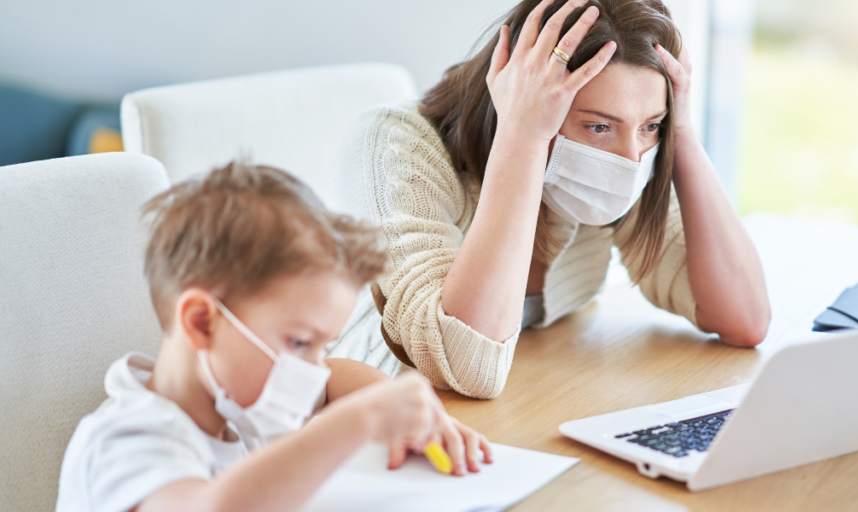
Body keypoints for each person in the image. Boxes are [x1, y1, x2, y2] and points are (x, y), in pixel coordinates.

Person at [334, 0, 771, 400]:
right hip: (377, 415)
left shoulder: (630, 160)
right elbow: (468, 367)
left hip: (519, 406)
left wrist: (682, 132)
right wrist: (523, 132)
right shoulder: (393, 141)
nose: (630, 160)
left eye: (649, 126)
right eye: (599, 127)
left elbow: (744, 318)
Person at [56, 161, 491, 512]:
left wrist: (417, 420)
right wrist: (362, 420)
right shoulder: (128, 441)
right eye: (299, 342)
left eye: (322, 345)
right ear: (202, 323)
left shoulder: (239, 402)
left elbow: (336, 378)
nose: (312, 369)